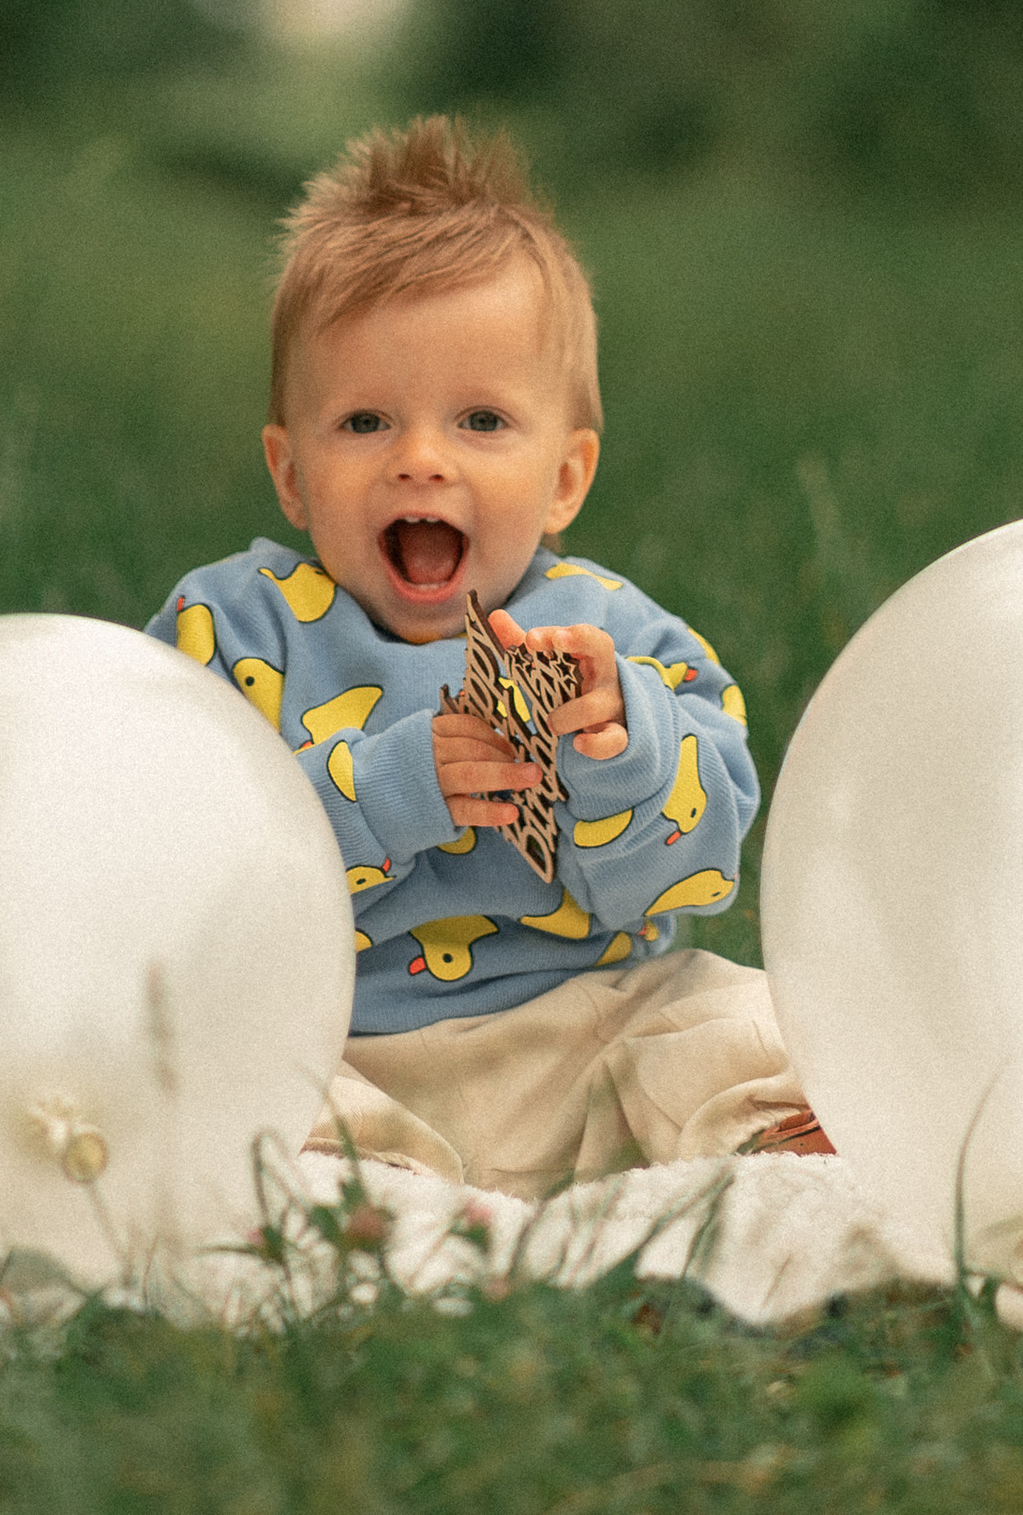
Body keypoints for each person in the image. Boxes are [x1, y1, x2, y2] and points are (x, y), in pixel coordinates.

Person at [147, 114, 831, 1194]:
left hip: (583, 1035)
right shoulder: (230, 630)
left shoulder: (618, 641)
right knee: (196, 1076)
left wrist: (622, 750)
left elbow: (703, 863)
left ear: (566, 476)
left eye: (479, 421)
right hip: (333, 1045)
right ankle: (357, 1202)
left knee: (732, 1017)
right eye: (366, 422)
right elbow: (177, 865)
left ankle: (778, 1161)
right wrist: (388, 790)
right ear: (290, 471)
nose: (420, 460)